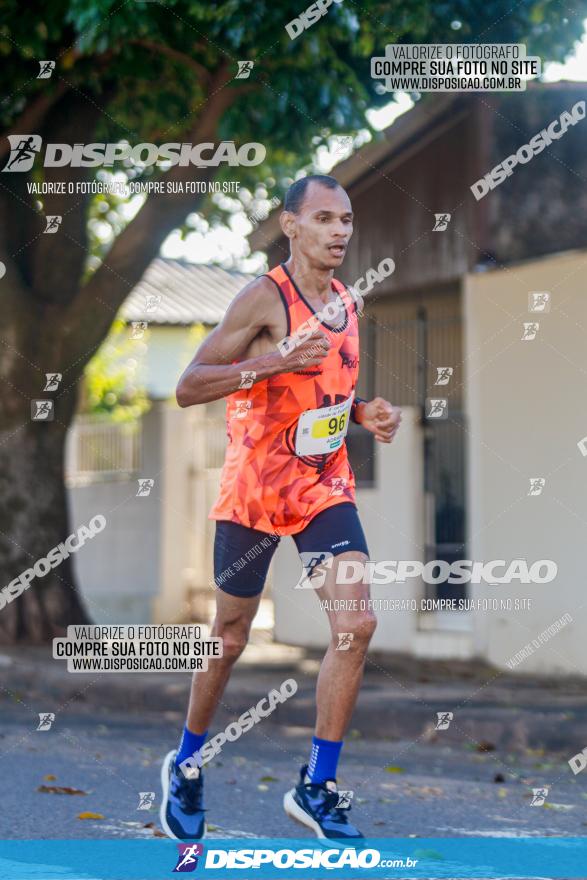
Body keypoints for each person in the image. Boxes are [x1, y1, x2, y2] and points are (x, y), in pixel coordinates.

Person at [160, 174, 401, 842]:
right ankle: (185, 762)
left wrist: (365, 411)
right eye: (323, 218)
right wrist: (273, 362)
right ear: (289, 225)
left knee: (356, 623)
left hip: (322, 488)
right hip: (255, 493)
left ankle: (316, 785)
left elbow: (321, 391)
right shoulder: (263, 298)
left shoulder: (346, 301)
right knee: (230, 637)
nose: (338, 232)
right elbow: (188, 387)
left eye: (345, 220)